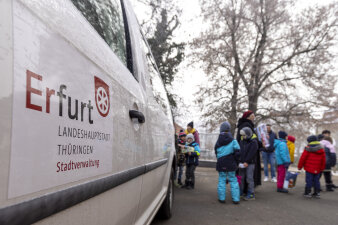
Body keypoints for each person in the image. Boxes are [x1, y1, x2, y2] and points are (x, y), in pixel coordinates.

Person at [215, 122, 241, 204]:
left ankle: (221, 198)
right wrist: (236, 162)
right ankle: (236, 199)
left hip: (221, 163)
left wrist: (219, 158)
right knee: (233, 180)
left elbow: (216, 151)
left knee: (222, 180)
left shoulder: (218, 141)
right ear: (229, 129)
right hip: (231, 163)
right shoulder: (234, 141)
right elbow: (238, 153)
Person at [236, 110, 262, 187]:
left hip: (244, 152)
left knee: (243, 174)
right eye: (252, 116)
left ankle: (242, 189)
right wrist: (260, 143)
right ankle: (248, 190)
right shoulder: (247, 125)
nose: (254, 117)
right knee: (248, 174)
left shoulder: (244, 124)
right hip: (248, 153)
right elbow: (252, 138)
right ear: (248, 117)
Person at [239, 127, 259, 200]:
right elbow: (240, 151)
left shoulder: (253, 142)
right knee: (241, 178)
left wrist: (247, 161)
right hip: (242, 163)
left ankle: (251, 193)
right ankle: (240, 192)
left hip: (250, 163)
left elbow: (252, 153)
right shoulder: (242, 141)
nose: (243, 137)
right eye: (242, 135)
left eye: (244, 135)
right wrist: (240, 161)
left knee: (249, 178)